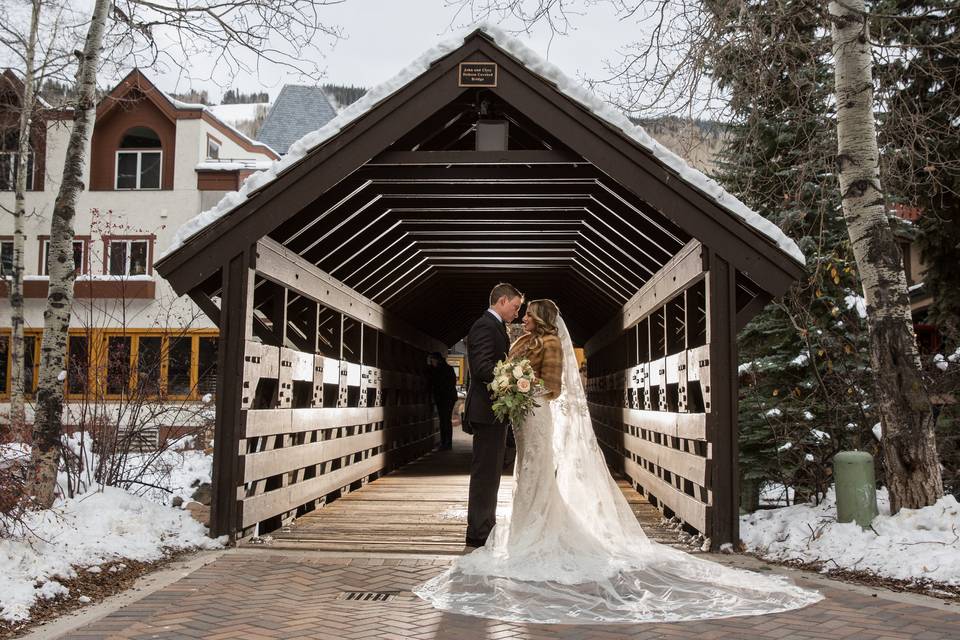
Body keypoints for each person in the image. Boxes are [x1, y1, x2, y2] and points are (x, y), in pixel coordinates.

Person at [414, 299, 823, 624]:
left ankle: (539, 531)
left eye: (528, 313)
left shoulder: (552, 344)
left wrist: (523, 386)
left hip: (536, 414)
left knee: (537, 474)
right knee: (524, 475)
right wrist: (512, 383)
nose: (523, 318)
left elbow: (553, 387)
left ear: (540, 318)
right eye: (519, 311)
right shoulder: (519, 337)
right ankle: (521, 527)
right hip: (521, 418)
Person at [462, 283, 523, 548]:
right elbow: (482, 367)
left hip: (493, 413)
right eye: (515, 307)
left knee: (491, 472)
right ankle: (478, 532)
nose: (517, 313)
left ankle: (485, 525)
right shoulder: (485, 326)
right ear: (501, 301)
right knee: (485, 473)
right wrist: (514, 376)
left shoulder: (494, 326)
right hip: (487, 412)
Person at [427, 351, 458, 450]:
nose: (432, 362)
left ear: (437, 360)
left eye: (432, 360)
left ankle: (445, 443)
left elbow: (434, 381)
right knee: (446, 420)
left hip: (444, 398)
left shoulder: (438, 370)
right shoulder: (449, 368)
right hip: (450, 397)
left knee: (444, 420)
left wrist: (430, 367)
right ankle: (447, 442)